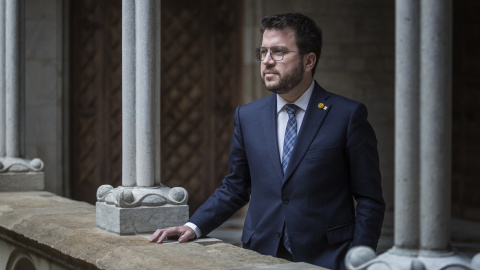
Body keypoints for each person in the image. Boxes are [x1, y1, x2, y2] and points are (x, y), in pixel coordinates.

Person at [149, 13, 385, 270]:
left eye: (279, 52)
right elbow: (235, 188)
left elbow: (370, 199)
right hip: (260, 255)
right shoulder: (247, 116)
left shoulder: (347, 116)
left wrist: (359, 260)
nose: (267, 61)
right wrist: (193, 226)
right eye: (263, 52)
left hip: (328, 258)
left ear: (309, 60)